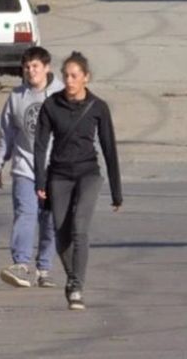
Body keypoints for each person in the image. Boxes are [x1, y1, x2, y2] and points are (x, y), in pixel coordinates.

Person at [33, 51, 122, 311]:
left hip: (88, 174)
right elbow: (40, 146)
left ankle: (76, 286)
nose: (69, 81)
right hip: (59, 175)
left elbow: (109, 148)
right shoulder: (51, 105)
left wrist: (117, 192)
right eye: (65, 76)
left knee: (79, 226)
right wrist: (40, 181)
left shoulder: (98, 108)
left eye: (74, 76)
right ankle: (74, 278)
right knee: (61, 234)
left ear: (86, 78)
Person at [0, 45, 64, 289]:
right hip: (25, 167)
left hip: (55, 169)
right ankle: (21, 265)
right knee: (26, 213)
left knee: (50, 220)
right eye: (27, 67)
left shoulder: (60, 95)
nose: (31, 71)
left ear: (46, 68)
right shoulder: (16, 97)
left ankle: (44, 268)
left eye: (35, 66)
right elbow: (7, 132)